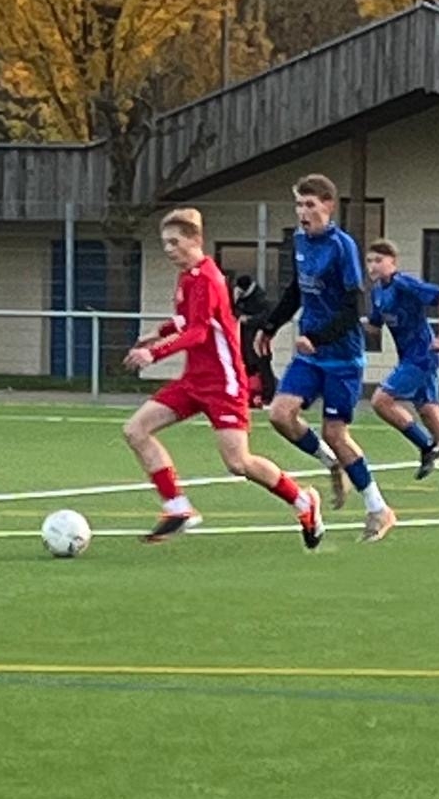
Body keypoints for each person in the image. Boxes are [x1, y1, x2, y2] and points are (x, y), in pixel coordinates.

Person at [122, 209, 325, 548]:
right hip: (193, 381)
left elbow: (199, 332)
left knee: (239, 462)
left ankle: (303, 501)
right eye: (165, 243)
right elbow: (187, 322)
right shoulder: (187, 277)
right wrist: (157, 333)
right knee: (135, 430)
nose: (169, 249)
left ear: (195, 240)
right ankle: (177, 507)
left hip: (223, 384)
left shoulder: (208, 278)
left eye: (175, 242)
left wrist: (154, 354)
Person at [257, 174, 396, 542]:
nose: (303, 212)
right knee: (280, 414)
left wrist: (317, 338)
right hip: (310, 355)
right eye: (299, 205)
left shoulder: (342, 246)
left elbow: (354, 307)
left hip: (341, 357)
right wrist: (270, 326)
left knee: (336, 432)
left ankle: (379, 509)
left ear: (328, 206)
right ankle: (331, 462)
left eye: (310, 205)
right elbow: (296, 289)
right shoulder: (299, 240)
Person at [364, 239, 439, 489]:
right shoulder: (377, 292)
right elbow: (374, 326)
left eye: (378, 261)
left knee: (381, 400)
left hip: (421, 356)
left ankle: (427, 445)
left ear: (393, 262)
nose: (372, 266)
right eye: (369, 261)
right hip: (409, 356)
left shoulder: (403, 283)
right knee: (430, 413)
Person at [230, 274, 277, 409]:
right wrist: (240, 316)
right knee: (247, 365)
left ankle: (267, 396)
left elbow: (267, 315)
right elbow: (234, 310)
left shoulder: (260, 297)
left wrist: (250, 320)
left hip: (259, 336)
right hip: (245, 336)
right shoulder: (240, 296)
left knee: (263, 364)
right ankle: (250, 394)